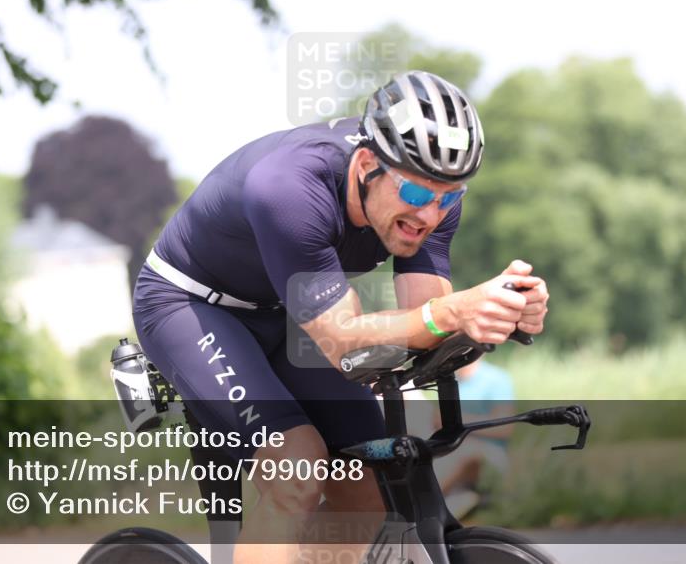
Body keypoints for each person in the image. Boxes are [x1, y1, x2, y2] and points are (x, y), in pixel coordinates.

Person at [132, 71, 550, 564]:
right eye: (417, 195)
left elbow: (425, 327)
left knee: (371, 485)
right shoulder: (289, 189)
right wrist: (452, 310)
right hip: (189, 306)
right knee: (297, 469)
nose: (431, 215)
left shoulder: (432, 201)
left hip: (285, 313)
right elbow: (345, 342)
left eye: (449, 196)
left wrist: (504, 309)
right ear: (368, 164)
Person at [433, 358, 516, 517]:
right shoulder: (445, 380)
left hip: (487, 456)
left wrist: (457, 422)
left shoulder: (496, 379)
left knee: (467, 450)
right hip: (451, 452)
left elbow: (505, 427)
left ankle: (420, 505)